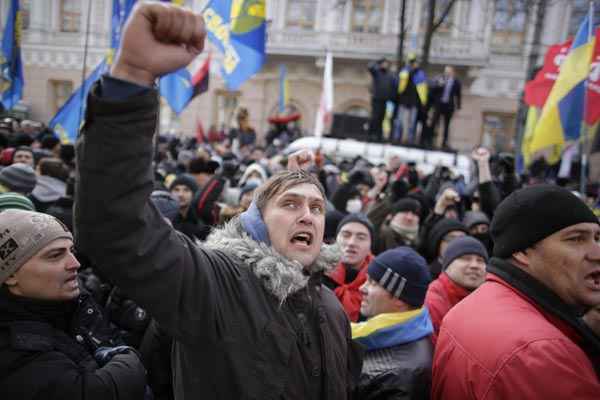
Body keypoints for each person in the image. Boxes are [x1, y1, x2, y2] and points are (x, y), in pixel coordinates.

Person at [74, 4, 362, 399]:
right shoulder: (216, 287)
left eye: (316, 208)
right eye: (290, 205)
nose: (308, 216)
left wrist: (297, 181)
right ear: (257, 221)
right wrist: (132, 80)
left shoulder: (329, 306)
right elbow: (115, 226)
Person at [432, 185, 600, 399]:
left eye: (597, 237)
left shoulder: (471, 305)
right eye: (576, 239)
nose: (597, 253)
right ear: (522, 251)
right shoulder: (540, 353)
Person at [0, 210, 148, 399]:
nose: (75, 263)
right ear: (11, 274)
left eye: (71, 251)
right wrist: (130, 360)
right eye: (55, 255)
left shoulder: (76, 305)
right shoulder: (11, 344)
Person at [353, 247, 433, 400]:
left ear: (399, 300)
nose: (362, 288)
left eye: (373, 283)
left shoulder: (401, 375)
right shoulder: (378, 334)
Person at [424, 236, 488, 344]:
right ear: (448, 265)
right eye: (466, 258)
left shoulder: (487, 300)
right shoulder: (432, 303)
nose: (475, 265)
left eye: (480, 260)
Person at [323, 213, 375, 322]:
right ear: (336, 239)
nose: (352, 243)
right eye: (346, 235)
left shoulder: (379, 284)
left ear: (371, 245)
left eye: (361, 238)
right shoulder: (317, 274)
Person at [430, 66, 461, 150]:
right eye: (446, 71)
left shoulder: (456, 82)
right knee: (435, 122)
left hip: (449, 106)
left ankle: (444, 143)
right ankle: (432, 140)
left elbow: (458, 95)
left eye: (449, 71)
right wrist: (439, 85)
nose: (447, 73)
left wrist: (458, 107)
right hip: (439, 105)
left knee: (446, 125)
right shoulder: (440, 79)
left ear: (452, 72)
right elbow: (433, 90)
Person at [368, 58, 396, 142]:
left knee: (382, 118)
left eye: (386, 63)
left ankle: (379, 135)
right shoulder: (377, 72)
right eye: (384, 63)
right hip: (377, 99)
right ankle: (372, 134)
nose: (385, 65)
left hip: (385, 100)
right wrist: (378, 63)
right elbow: (370, 66)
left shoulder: (390, 75)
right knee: (375, 117)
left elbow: (393, 85)